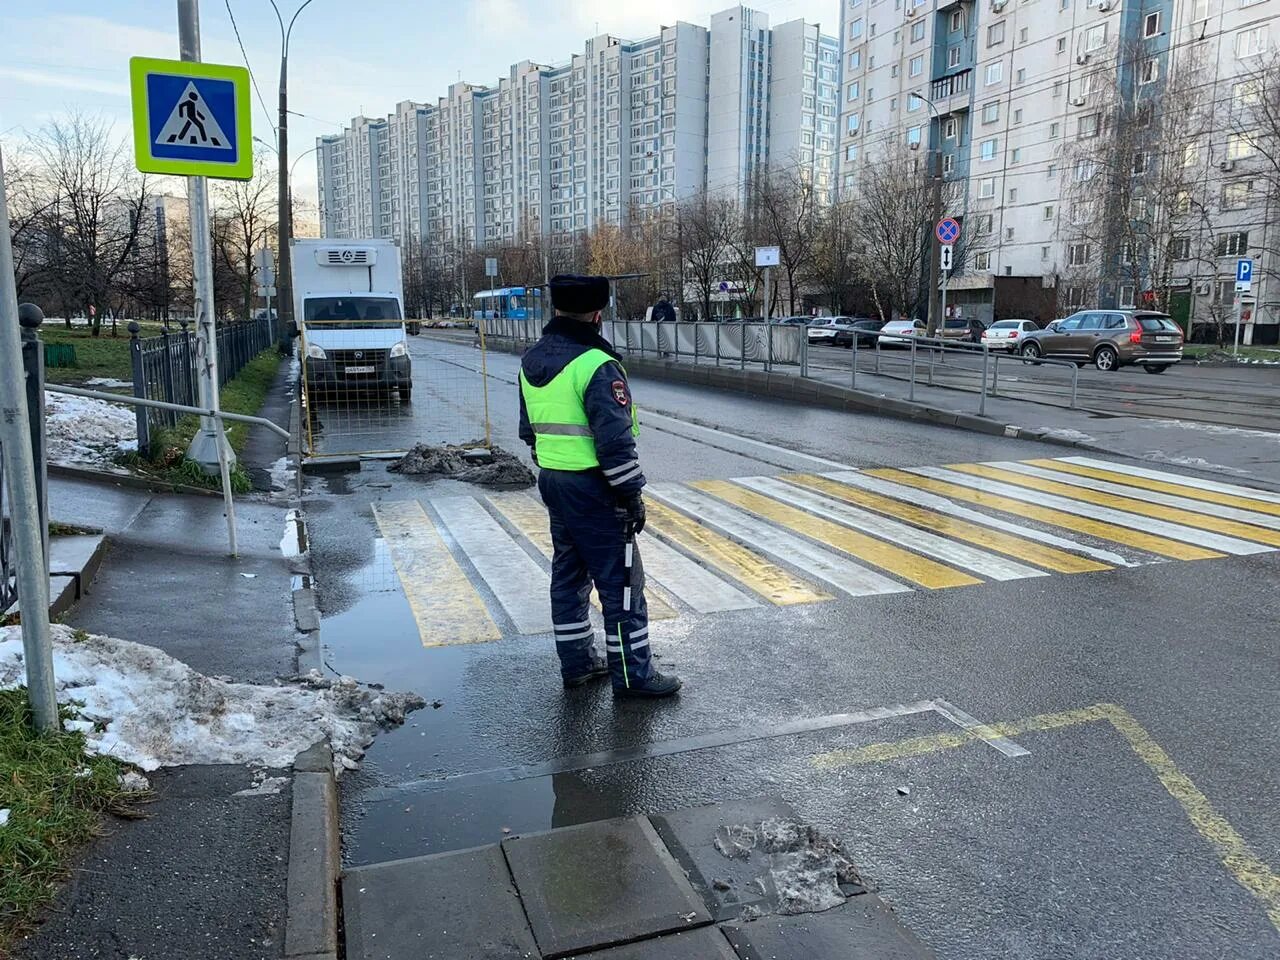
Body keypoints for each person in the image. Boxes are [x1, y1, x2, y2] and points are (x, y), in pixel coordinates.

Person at [518, 275, 682, 699]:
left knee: (569, 575)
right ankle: (634, 676)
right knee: (622, 582)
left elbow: (529, 432)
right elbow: (615, 442)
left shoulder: (531, 360)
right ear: (597, 314)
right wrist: (631, 495)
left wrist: (555, 469)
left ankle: (577, 664)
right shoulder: (596, 364)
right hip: (596, 487)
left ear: (556, 310)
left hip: (555, 482)